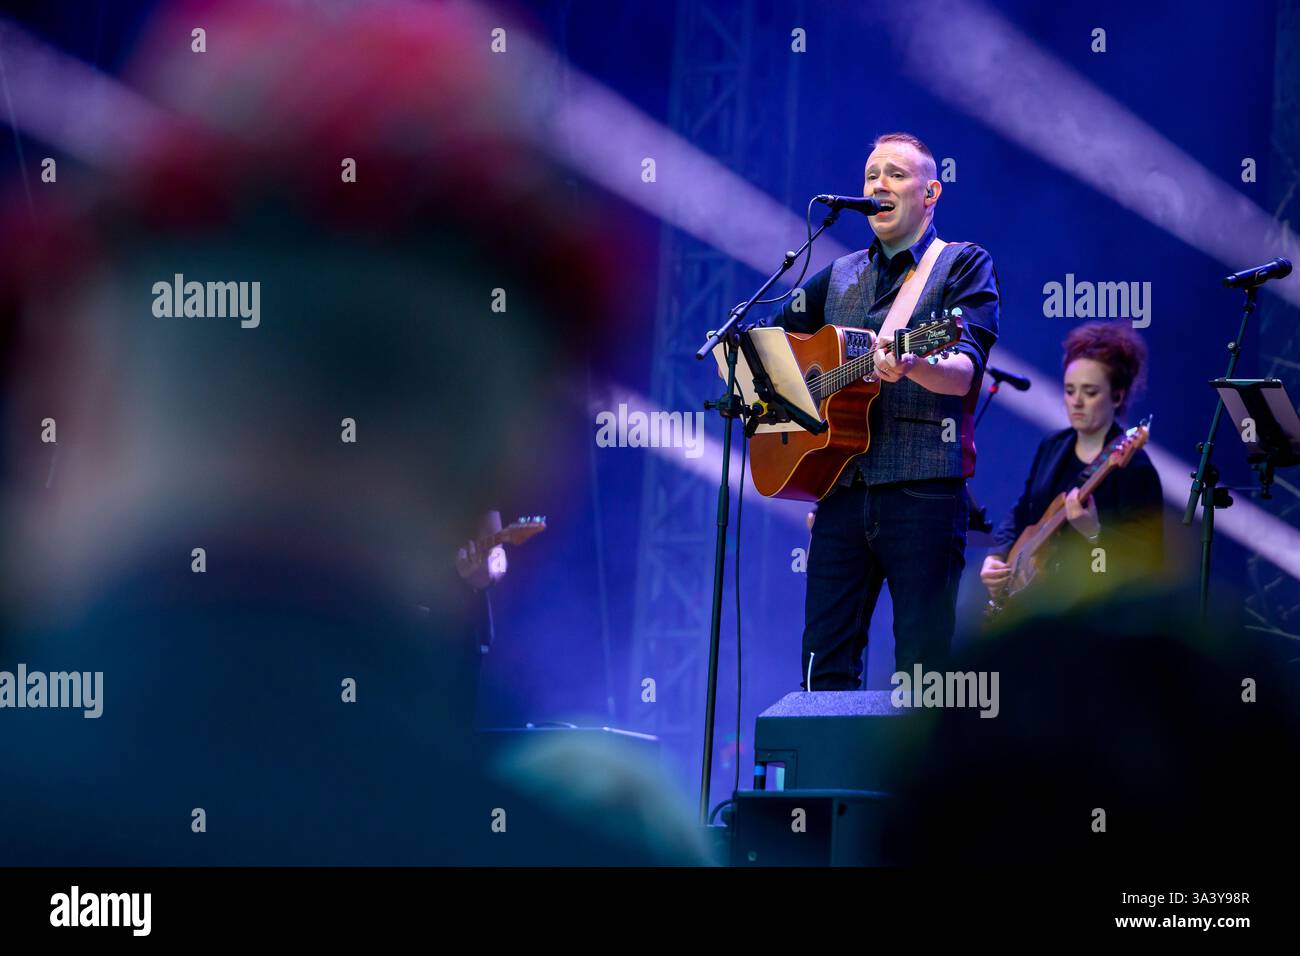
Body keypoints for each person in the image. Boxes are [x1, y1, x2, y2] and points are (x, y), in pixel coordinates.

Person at [768, 132, 1001, 688]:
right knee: (822, 665)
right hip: (841, 488)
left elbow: (966, 367)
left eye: (895, 174)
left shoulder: (963, 264)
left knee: (922, 672)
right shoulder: (840, 272)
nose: (878, 185)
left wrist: (914, 363)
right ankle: (826, 774)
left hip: (923, 488)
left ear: (931, 192)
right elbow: (777, 355)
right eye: (871, 175)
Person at [980, 322, 1164, 610]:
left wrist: (1094, 533)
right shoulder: (1053, 446)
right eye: (1069, 390)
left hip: (1094, 615)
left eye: (1089, 392)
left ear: (1117, 396)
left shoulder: (1135, 468)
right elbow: (1023, 511)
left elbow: (1147, 564)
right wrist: (997, 556)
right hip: (1034, 607)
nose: (1076, 402)